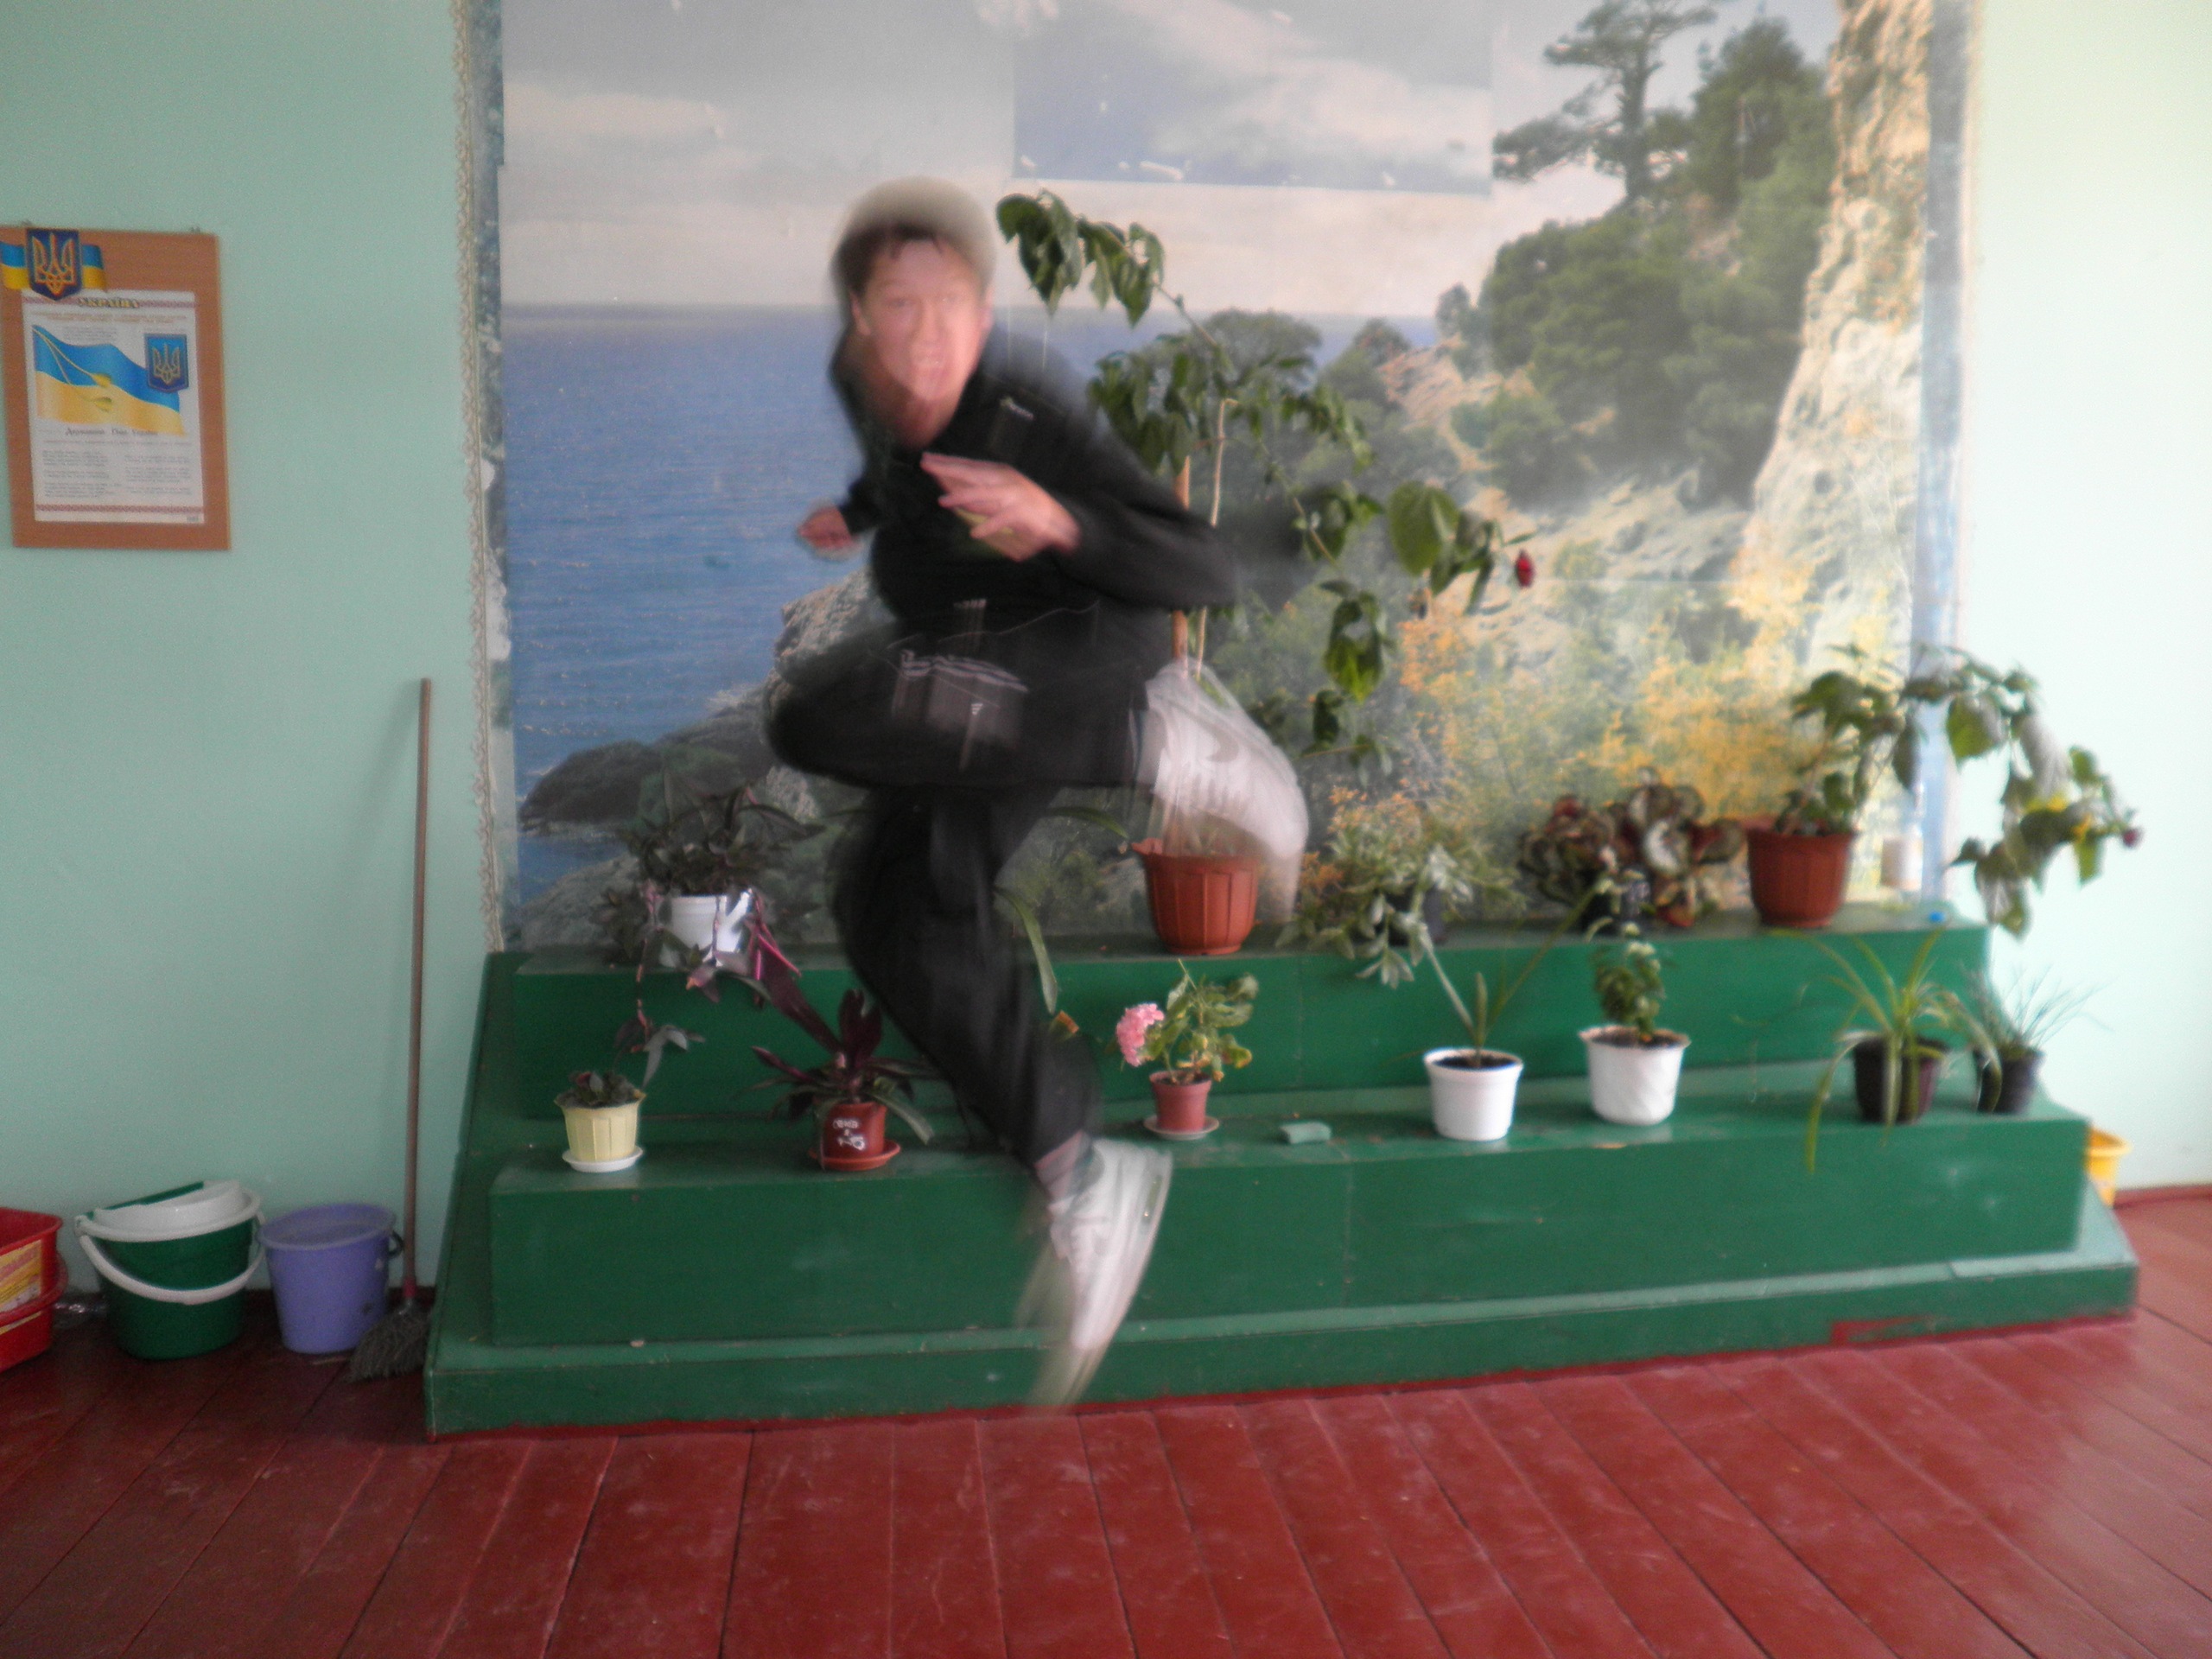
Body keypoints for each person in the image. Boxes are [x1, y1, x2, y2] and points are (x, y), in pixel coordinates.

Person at [768, 178, 1237, 1402]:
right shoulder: (863, 384)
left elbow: (1199, 565)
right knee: (886, 907)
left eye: (952, 308)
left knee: (812, 714)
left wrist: (1057, 517)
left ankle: (1154, 737)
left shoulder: (1030, 410)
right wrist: (858, 508)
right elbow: (903, 468)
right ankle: (1082, 1174)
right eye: (898, 307)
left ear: (985, 316)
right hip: (976, 697)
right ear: (861, 320)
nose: (926, 337)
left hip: (1082, 656)